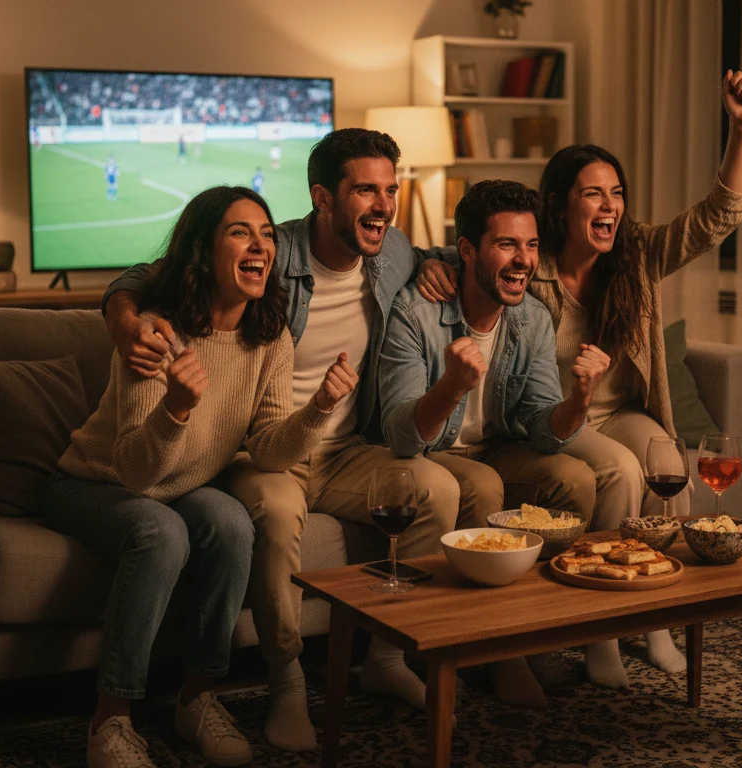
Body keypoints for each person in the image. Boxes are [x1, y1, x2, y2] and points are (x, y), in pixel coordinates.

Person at [100, 129, 469, 753]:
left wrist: (438, 263)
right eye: (364, 191)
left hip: (347, 445)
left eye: (390, 190)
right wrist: (122, 312)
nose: (383, 205)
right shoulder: (275, 248)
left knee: (436, 486)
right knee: (270, 509)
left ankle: (386, 657)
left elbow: (457, 254)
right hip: (263, 448)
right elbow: (155, 269)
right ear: (322, 199)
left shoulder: (395, 251)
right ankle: (287, 677)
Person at [418, 70, 742, 689]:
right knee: (620, 471)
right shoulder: (530, 263)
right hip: (555, 416)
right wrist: (431, 266)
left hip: (621, 408)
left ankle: (653, 615)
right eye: (593, 194)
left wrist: (741, 130)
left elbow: (717, 217)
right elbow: (462, 254)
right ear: (559, 204)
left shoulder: (637, 255)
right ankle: (602, 628)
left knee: (666, 460)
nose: (610, 206)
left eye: (617, 193)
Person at [43, 186, 355, 768]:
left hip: (181, 487)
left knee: (233, 523)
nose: (260, 244)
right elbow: (137, 472)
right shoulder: (153, 334)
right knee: (162, 532)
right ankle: (110, 719)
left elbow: (266, 451)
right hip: (94, 484)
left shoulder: (270, 335)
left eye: (266, 234)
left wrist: (317, 410)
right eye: (240, 232)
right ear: (202, 252)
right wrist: (177, 408)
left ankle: (198, 697)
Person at [380, 179, 599, 708]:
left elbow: (543, 432)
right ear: (468, 250)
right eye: (506, 244)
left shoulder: (533, 318)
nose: (522, 260)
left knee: (576, 479)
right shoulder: (416, 313)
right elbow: (403, 436)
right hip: (432, 453)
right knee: (480, 483)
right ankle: (492, 651)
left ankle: (532, 631)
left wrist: (579, 400)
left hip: (497, 447)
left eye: (529, 245)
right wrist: (453, 385)